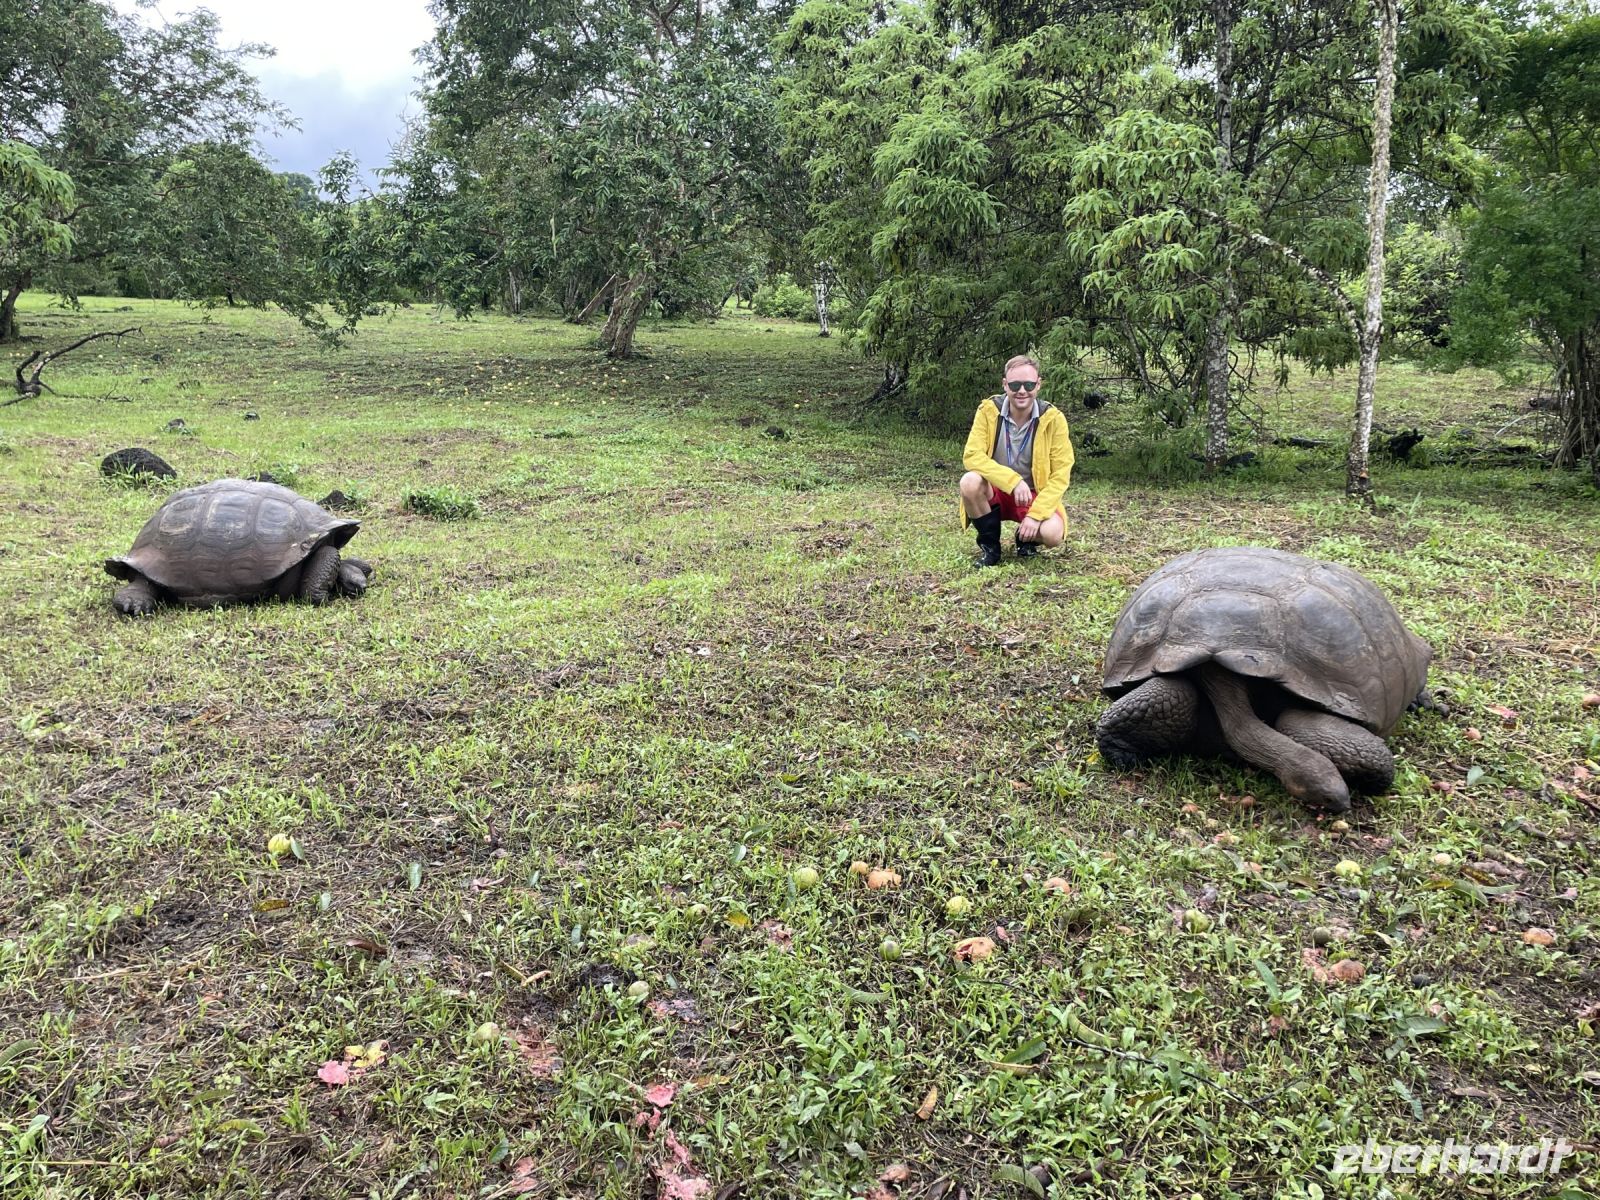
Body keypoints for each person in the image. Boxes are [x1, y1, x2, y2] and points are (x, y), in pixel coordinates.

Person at [958, 354, 1074, 567]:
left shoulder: (1054, 419)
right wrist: (1012, 481)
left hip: (1033, 495)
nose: (1022, 391)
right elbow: (972, 455)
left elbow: (1061, 476)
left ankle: (1025, 538)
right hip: (996, 491)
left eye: (1029, 384)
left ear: (1038, 384)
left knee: (1053, 534)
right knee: (969, 482)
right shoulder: (988, 410)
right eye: (1015, 384)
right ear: (1005, 384)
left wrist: (1036, 515)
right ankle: (990, 549)